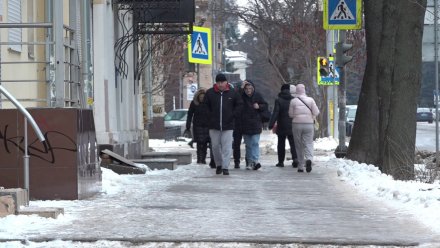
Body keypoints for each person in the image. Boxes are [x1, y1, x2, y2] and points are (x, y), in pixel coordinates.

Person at [204, 73, 242, 175]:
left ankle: (225, 167)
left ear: (226, 82)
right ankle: (219, 164)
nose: (221, 84)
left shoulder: (233, 93)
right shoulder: (210, 93)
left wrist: (233, 115)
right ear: (216, 83)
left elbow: (239, 105)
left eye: (222, 82)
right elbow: (205, 107)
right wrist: (210, 116)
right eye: (219, 82)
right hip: (214, 125)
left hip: (228, 125)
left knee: (227, 147)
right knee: (215, 147)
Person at [288, 84, 320, 173]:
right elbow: (316, 112)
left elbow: (290, 114)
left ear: (296, 91)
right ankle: (309, 159)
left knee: (298, 145)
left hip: (296, 124)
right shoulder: (310, 100)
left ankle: (301, 166)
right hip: (309, 124)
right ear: (304, 90)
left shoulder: (293, 101)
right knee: (308, 143)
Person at [240, 80, 268, 170]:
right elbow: (235, 98)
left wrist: (259, 106)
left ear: (253, 88)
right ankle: (249, 162)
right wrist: (240, 88)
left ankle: (255, 161)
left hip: (256, 123)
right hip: (245, 124)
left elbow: (265, 105)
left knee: (255, 143)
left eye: (250, 88)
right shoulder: (241, 96)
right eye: (246, 89)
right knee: (248, 145)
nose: (248, 90)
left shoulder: (258, 95)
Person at [268, 84, 298, 168]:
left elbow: (276, 112)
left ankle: (281, 162)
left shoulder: (278, 100)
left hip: (282, 125)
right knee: (293, 143)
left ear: (281, 90)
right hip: (292, 124)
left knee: (281, 144)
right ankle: (295, 158)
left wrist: (271, 124)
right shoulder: (293, 99)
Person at [185, 88, 215, 168]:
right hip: (197, 125)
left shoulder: (209, 104)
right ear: (198, 97)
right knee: (199, 143)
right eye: (200, 97)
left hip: (207, 125)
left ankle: (203, 159)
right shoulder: (194, 103)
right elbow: (190, 114)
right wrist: (188, 126)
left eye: (203, 97)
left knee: (205, 143)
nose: (202, 99)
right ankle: (199, 158)